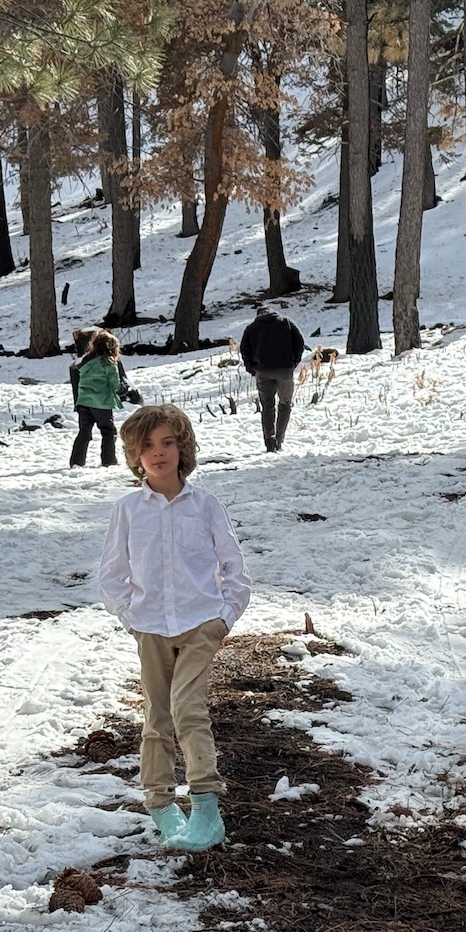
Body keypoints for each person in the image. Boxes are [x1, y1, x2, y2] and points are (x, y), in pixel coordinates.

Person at [98, 403, 252, 851]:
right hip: (150, 629)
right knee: (157, 717)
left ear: (183, 448)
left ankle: (207, 806)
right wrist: (130, 615)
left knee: (188, 710)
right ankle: (161, 804)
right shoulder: (128, 510)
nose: (158, 453)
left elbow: (232, 566)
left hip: (200, 623)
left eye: (167, 442)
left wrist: (224, 617)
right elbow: (112, 575)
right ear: (134, 455)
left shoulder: (204, 505)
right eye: (147, 446)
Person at [238, 304, 306, 453]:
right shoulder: (286, 322)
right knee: (285, 404)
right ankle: (279, 440)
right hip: (285, 371)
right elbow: (300, 342)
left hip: (263, 371)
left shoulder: (252, 328)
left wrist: (251, 368)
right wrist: (293, 363)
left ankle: (269, 440)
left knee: (267, 407)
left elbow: (244, 350)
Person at [68, 328, 122, 468]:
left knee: (84, 432)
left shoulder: (85, 361)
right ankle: (109, 461)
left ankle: (76, 462)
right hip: (101, 403)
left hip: (83, 402)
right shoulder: (108, 363)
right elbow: (115, 384)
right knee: (108, 431)